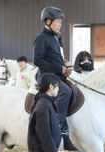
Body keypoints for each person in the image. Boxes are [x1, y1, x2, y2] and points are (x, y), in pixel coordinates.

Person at [69, 51, 105, 152]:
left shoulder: (94, 75)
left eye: (88, 59)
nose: (86, 62)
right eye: (83, 59)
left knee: (97, 151)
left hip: (94, 118)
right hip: (80, 119)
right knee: (80, 151)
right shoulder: (74, 76)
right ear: (78, 62)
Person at [32, 6, 72, 135]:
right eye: (58, 21)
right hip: (46, 76)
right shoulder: (41, 38)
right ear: (48, 21)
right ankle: (57, 123)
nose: (60, 25)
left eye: (61, 22)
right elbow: (38, 60)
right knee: (65, 91)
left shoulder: (54, 39)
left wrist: (64, 70)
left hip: (56, 75)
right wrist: (58, 68)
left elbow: (56, 60)